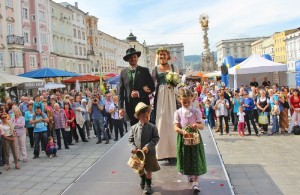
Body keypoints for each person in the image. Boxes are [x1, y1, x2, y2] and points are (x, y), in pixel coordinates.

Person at [174, 88, 207, 193]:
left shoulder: (196, 112)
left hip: (195, 138)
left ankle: (195, 182)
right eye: (184, 102)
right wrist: (183, 132)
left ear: (192, 99)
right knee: (186, 158)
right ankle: (189, 174)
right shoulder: (178, 112)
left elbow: (202, 126)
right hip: (184, 139)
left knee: (195, 158)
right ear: (180, 100)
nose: (187, 104)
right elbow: (176, 127)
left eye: (188, 101)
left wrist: (196, 125)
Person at [152, 47, 179, 161]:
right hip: (161, 96)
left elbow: (178, 82)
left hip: (172, 95)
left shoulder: (174, 67)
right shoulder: (155, 69)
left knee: (173, 121)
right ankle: (162, 153)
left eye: (164, 55)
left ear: (168, 56)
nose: (162, 57)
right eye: (160, 55)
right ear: (158, 56)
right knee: (161, 121)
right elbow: (152, 84)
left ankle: (174, 152)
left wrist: (174, 84)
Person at [128, 102, 160, 194]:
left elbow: (156, 138)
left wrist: (148, 146)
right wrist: (133, 148)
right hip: (138, 155)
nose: (146, 117)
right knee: (139, 170)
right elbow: (130, 140)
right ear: (138, 116)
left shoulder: (153, 127)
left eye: (148, 115)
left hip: (150, 154)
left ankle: (148, 185)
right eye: (144, 115)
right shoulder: (134, 128)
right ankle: (143, 178)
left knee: (149, 170)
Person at [118, 48, 155, 126]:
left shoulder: (144, 71)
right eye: (131, 57)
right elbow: (120, 92)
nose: (133, 59)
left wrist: (139, 93)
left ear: (137, 58)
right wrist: (120, 107)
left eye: (134, 57)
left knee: (145, 130)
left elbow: (152, 87)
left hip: (143, 106)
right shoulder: (123, 73)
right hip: (130, 108)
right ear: (128, 59)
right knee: (134, 131)